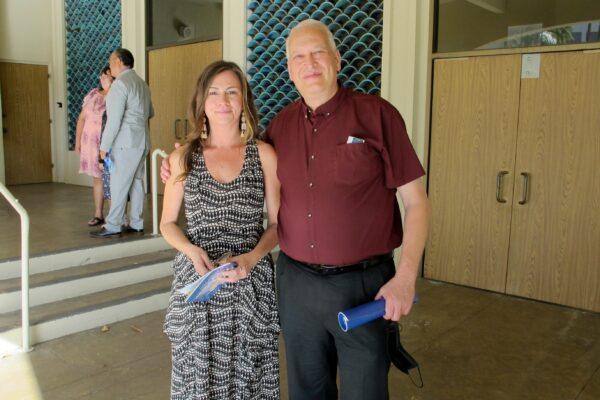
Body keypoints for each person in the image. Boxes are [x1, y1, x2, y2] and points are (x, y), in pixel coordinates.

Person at [162, 19, 429, 400]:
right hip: (296, 287)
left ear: (336, 59)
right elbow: (230, 155)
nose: (310, 63)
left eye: (318, 52)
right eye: (298, 57)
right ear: (289, 69)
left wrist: (405, 276)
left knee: (365, 391)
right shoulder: (281, 127)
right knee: (306, 391)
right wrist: (175, 164)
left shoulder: (378, 115)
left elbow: (416, 202)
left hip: (363, 286)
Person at [160, 61, 280, 399]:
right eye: (213, 92)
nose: (222, 100)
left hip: (248, 288)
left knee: (249, 383)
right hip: (198, 286)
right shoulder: (184, 156)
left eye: (231, 91)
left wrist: (253, 257)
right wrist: (190, 250)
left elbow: (277, 224)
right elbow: (167, 223)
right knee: (197, 383)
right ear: (202, 100)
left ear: (243, 100)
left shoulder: (264, 155)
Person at [90, 48, 154, 238]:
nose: (110, 66)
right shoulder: (142, 84)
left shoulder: (120, 84)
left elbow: (114, 120)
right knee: (136, 183)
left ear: (118, 61)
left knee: (119, 183)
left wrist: (103, 147)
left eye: (111, 62)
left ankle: (113, 224)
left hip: (125, 142)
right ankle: (136, 222)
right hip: (142, 140)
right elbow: (150, 112)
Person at [75, 66, 113, 226]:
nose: (104, 77)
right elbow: (82, 118)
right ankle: (98, 213)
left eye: (108, 76)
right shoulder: (93, 94)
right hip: (90, 144)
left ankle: (115, 217)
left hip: (107, 143)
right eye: (103, 75)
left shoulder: (116, 95)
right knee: (97, 178)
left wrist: (110, 89)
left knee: (110, 179)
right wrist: (77, 142)